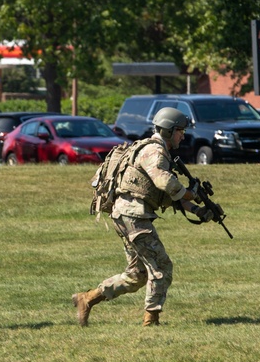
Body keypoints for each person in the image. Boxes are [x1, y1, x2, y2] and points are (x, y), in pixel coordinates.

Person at [72, 107, 215, 327]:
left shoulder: (156, 151)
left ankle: (87, 298)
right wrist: (191, 194)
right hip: (133, 216)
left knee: (137, 275)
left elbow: (168, 196)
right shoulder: (154, 151)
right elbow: (164, 182)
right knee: (161, 266)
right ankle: (151, 321)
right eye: (180, 131)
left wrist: (198, 210)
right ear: (168, 130)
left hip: (127, 214)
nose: (182, 136)